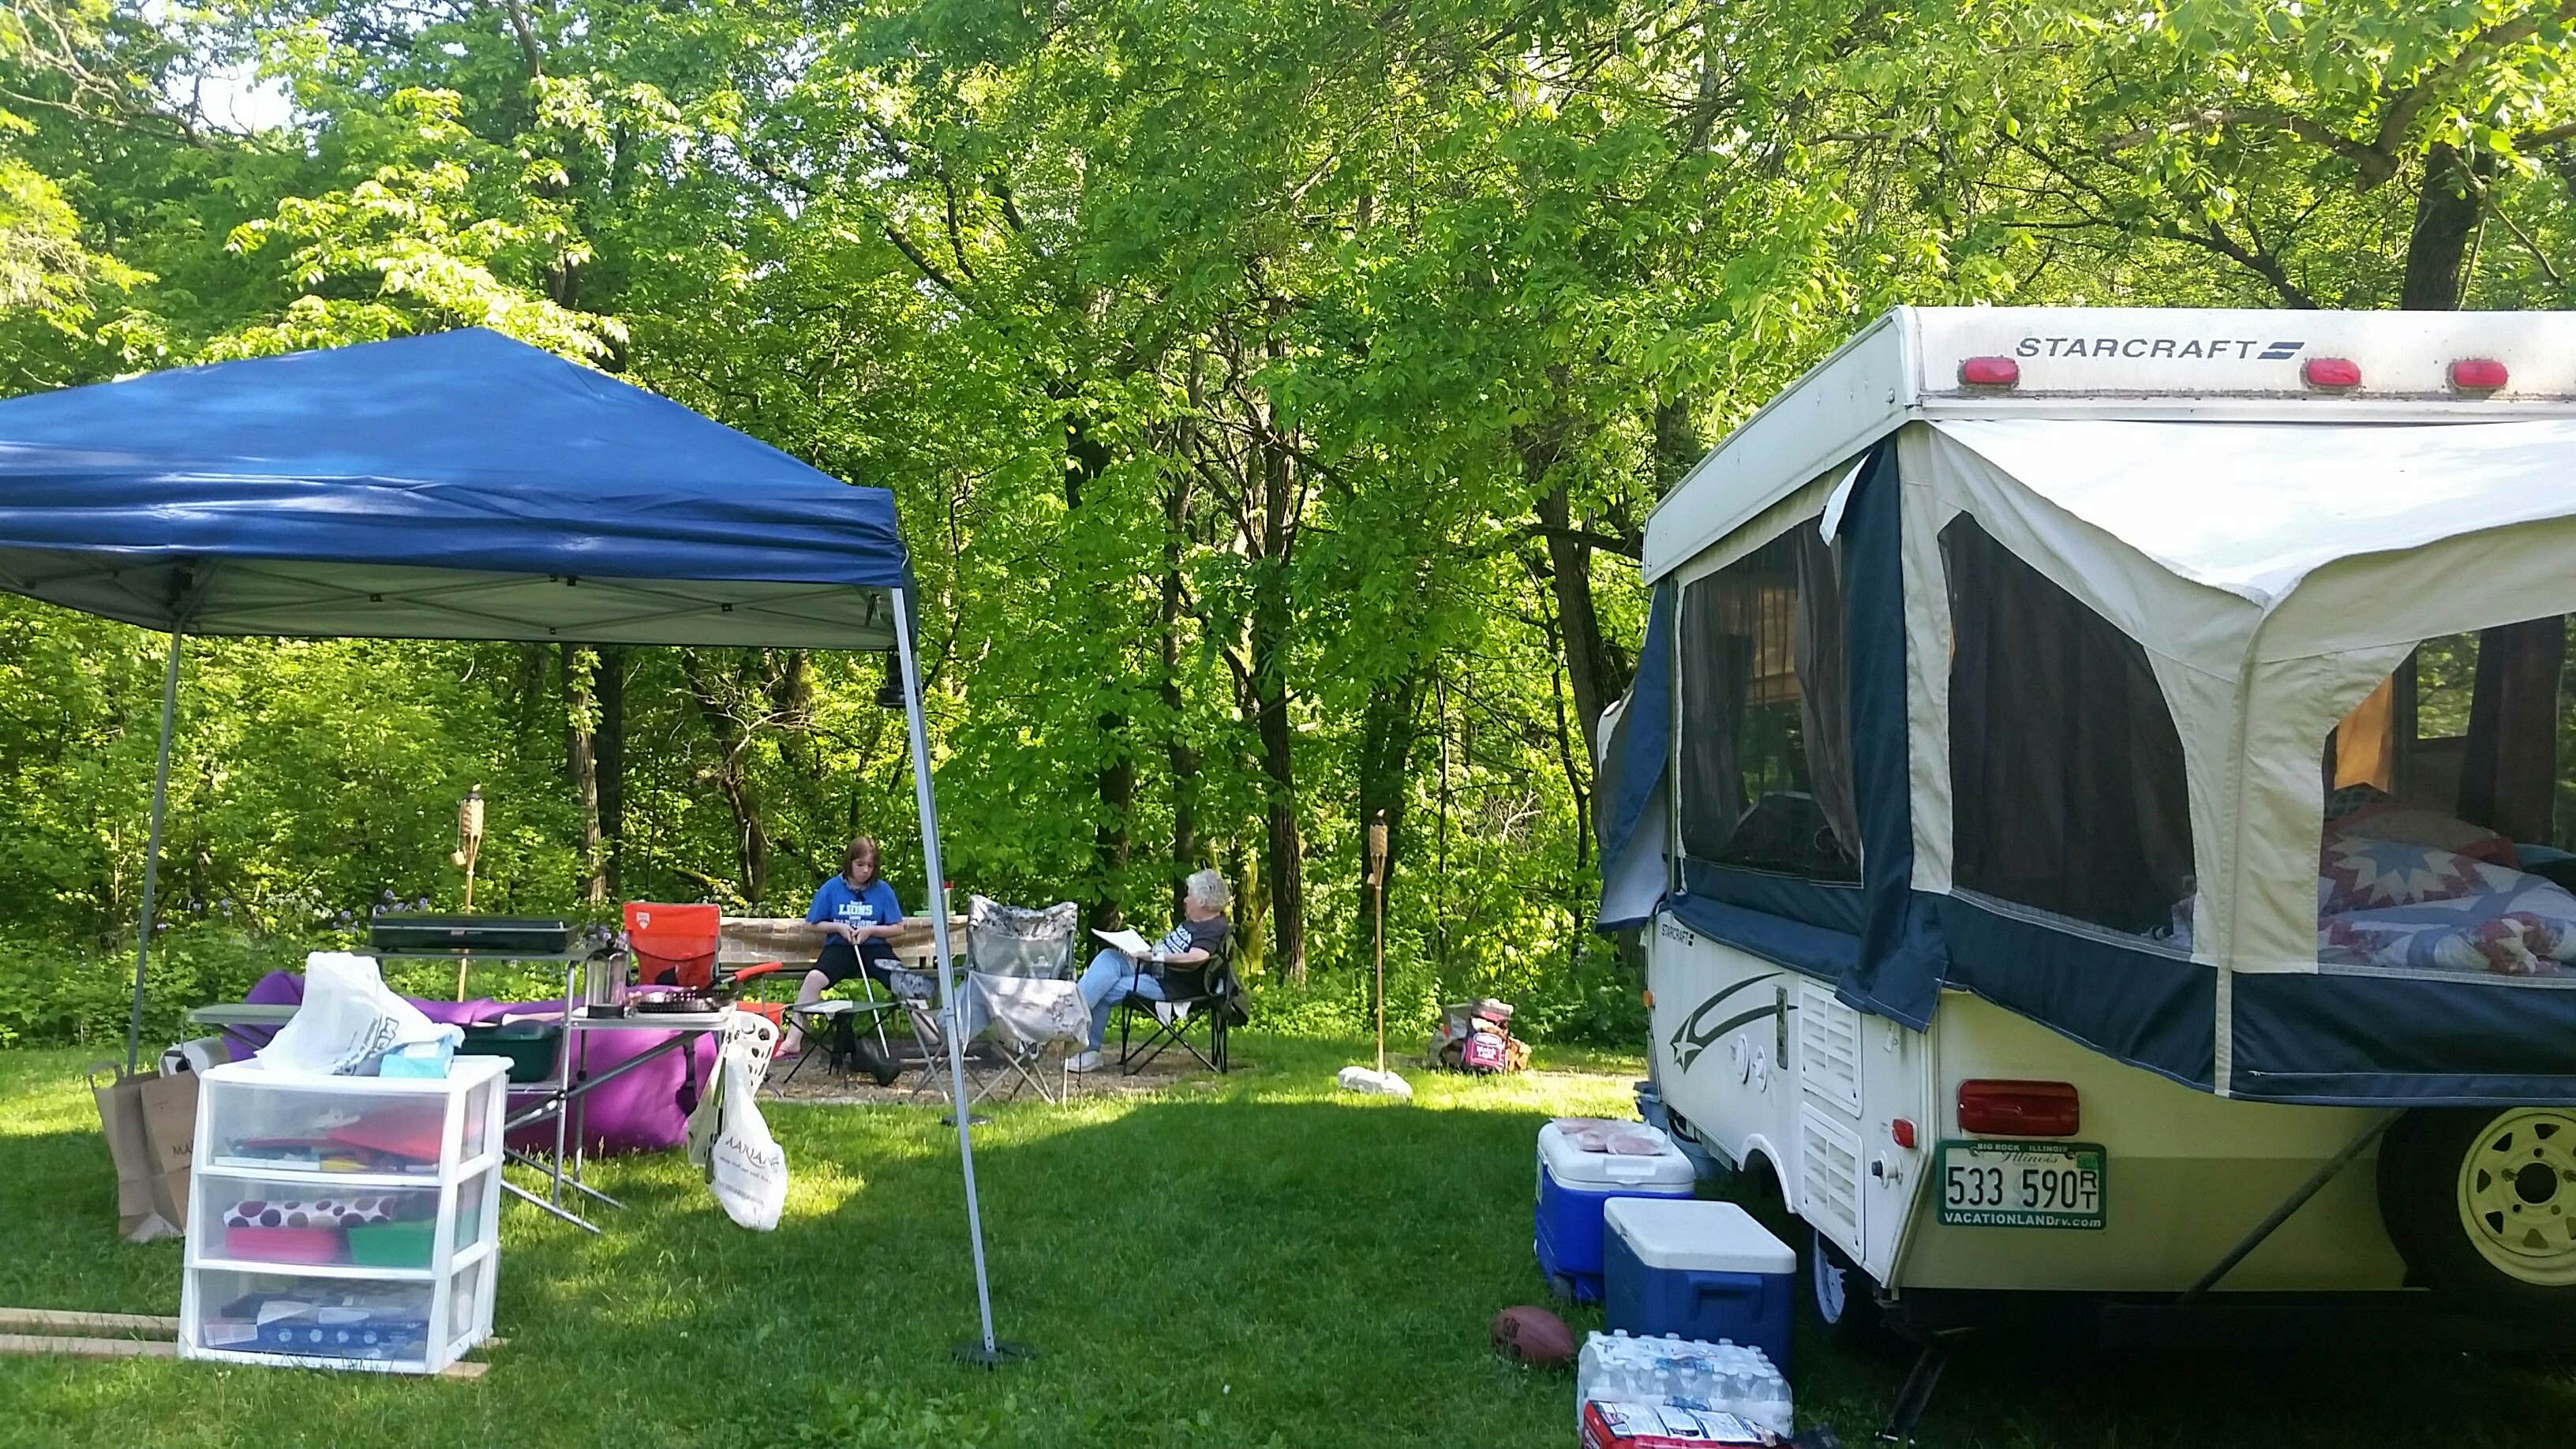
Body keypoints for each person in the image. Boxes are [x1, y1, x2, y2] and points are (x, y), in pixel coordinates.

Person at [1071, 868, 1232, 1073]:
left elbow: (1197, 957)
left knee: (1105, 988)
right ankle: (1066, 1015)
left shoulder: (1212, 928)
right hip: (1151, 969)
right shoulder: (1194, 922)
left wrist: (1154, 956)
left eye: (1189, 894)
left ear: (1202, 901)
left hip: (1169, 986)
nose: (1185, 900)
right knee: (1108, 957)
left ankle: (1081, 1043)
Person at [781, 834, 907, 1062]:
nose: (866, 870)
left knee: (905, 981)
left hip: (875, 948)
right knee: (813, 979)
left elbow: (898, 928)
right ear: (849, 862)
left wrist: (872, 931)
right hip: (840, 947)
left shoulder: (883, 890)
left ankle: (935, 1040)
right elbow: (812, 924)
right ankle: (793, 1040)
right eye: (860, 865)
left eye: (871, 866)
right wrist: (838, 927)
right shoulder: (831, 888)